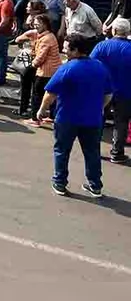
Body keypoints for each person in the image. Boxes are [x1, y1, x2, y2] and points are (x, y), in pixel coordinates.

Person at [37, 34, 113, 198]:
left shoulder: (67, 68)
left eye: (67, 48)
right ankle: (95, 185)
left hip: (67, 118)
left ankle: (60, 182)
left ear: (76, 50)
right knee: (92, 152)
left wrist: (42, 110)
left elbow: (50, 93)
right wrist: (100, 108)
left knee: (62, 151)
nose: (64, 51)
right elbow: (108, 94)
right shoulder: (100, 67)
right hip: (92, 119)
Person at [90, 18, 131, 163]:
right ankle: (117, 153)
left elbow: (91, 65)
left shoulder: (102, 46)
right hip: (126, 91)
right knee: (121, 122)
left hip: (103, 89)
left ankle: (94, 150)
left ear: (114, 30)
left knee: (98, 118)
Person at [13, 14, 61, 124]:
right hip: (52, 70)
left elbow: (40, 58)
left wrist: (30, 66)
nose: (36, 25)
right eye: (35, 23)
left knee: (37, 95)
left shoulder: (46, 39)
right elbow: (19, 39)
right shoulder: (47, 36)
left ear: (45, 25)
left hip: (45, 71)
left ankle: (35, 119)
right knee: (51, 94)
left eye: (38, 24)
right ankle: (51, 116)